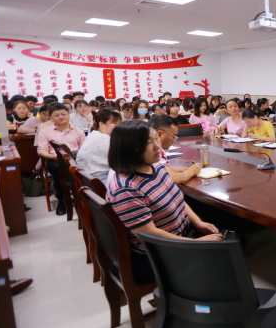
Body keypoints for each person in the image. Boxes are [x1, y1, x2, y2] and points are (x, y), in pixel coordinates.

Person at [106, 120, 222, 284]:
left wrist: (198, 222)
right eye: (149, 143)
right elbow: (149, 233)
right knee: (229, 251)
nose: (157, 146)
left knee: (233, 235)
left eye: (156, 139)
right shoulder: (126, 188)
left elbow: (177, 199)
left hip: (179, 237)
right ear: (129, 149)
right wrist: (194, 243)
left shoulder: (156, 168)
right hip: (158, 255)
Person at [36, 103, 86, 215]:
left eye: (63, 114)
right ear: (51, 118)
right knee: (58, 169)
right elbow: (41, 150)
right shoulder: (45, 132)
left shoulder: (78, 131)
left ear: (68, 115)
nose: (61, 117)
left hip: (76, 158)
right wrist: (53, 157)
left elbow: (84, 149)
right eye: (57, 115)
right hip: (55, 160)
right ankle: (62, 201)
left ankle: (83, 197)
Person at [150, 115, 202, 184]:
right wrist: (191, 172)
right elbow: (172, 179)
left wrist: (175, 170)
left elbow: (159, 168)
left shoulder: (156, 147)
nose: (174, 141)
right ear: (159, 134)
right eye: (173, 136)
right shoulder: (151, 151)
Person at [76, 109, 121, 184]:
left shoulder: (95, 134)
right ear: (101, 124)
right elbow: (119, 162)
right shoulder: (104, 138)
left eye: (120, 123)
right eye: (115, 123)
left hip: (87, 177)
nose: (119, 126)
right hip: (99, 179)